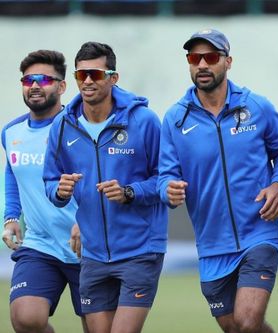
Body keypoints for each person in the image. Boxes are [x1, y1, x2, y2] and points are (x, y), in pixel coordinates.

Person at [157, 29, 278, 333]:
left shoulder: (257, 107)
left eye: (211, 57)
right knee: (237, 329)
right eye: (195, 58)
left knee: (246, 322)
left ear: (228, 62)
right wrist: (168, 189)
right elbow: (165, 175)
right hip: (211, 244)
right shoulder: (175, 119)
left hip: (259, 232)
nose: (202, 64)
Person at [42, 42, 167, 333]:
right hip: (93, 254)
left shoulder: (144, 121)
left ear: (113, 78)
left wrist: (129, 192)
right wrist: (59, 191)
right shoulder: (62, 125)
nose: (87, 81)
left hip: (140, 250)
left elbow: (164, 178)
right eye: (81, 75)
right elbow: (50, 181)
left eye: (95, 75)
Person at [1, 50, 87, 333]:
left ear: (62, 87)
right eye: (28, 80)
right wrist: (11, 216)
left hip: (88, 245)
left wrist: (88, 221)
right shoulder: (11, 132)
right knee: (26, 319)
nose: (35, 86)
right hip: (40, 244)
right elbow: (13, 171)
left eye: (44, 79)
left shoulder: (80, 129)